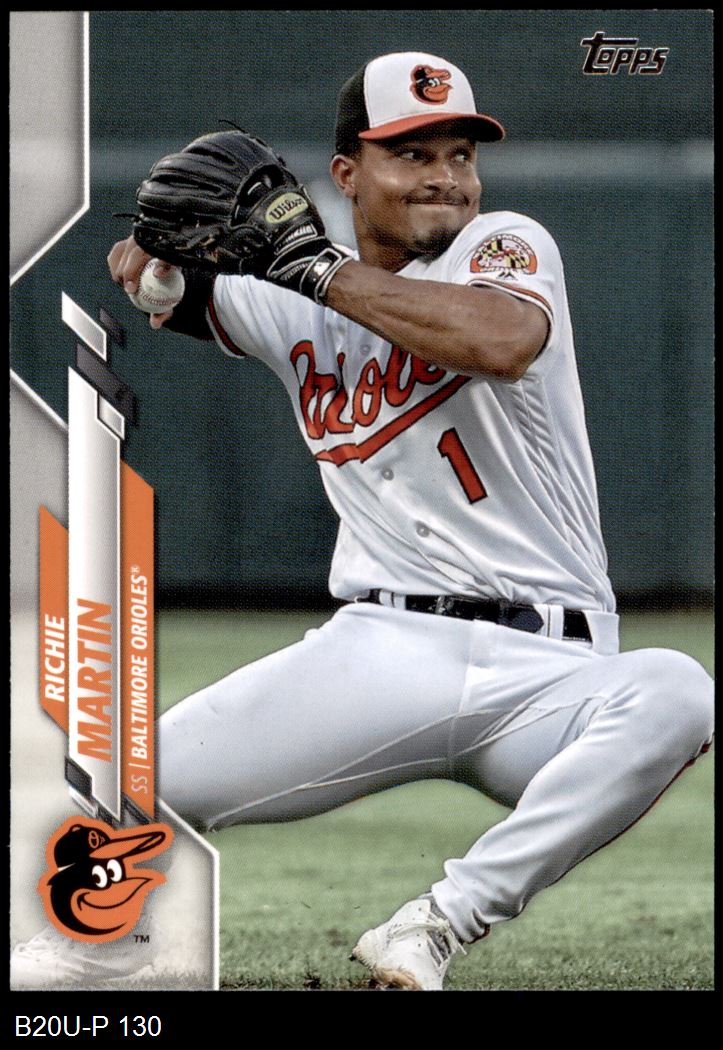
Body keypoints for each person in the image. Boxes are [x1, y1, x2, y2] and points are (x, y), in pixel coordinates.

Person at [41, 50, 721, 991]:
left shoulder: (502, 246)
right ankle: (95, 952)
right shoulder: (297, 289)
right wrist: (153, 267)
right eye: (411, 154)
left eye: (459, 153)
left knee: (678, 688)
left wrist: (313, 268)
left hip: (550, 668)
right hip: (383, 650)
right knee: (124, 778)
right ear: (347, 174)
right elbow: (163, 282)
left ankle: (435, 925)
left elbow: (500, 339)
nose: (445, 176)